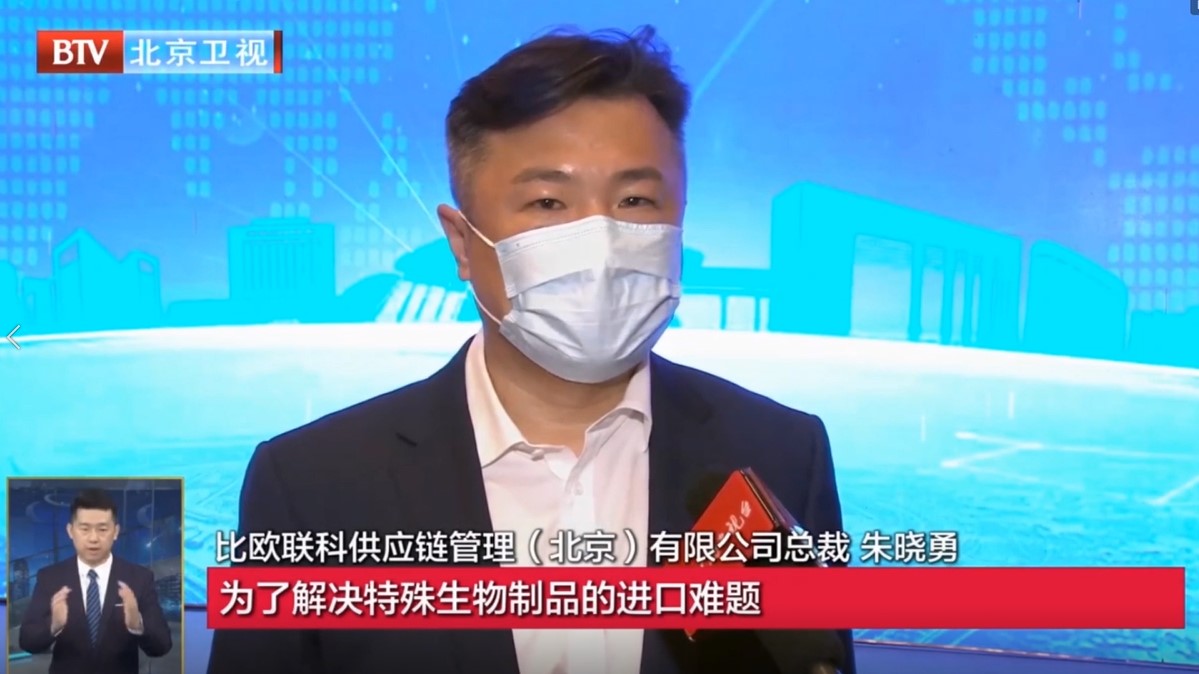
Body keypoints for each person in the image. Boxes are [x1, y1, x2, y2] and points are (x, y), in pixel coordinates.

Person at [207, 25, 854, 674]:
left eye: (635, 199)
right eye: (548, 202)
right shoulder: (312, 485)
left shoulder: (779, 454)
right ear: (462, 243)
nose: (601, 241)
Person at [18, 488, 173, 674]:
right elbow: (27, 641)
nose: (93, 538)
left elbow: (162, 645)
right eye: (84, 529)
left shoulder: (139, 578)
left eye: (102, 529)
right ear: (70, 531)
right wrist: (54, 625)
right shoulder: (50, 577)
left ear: (115, 532)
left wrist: (138, 625)